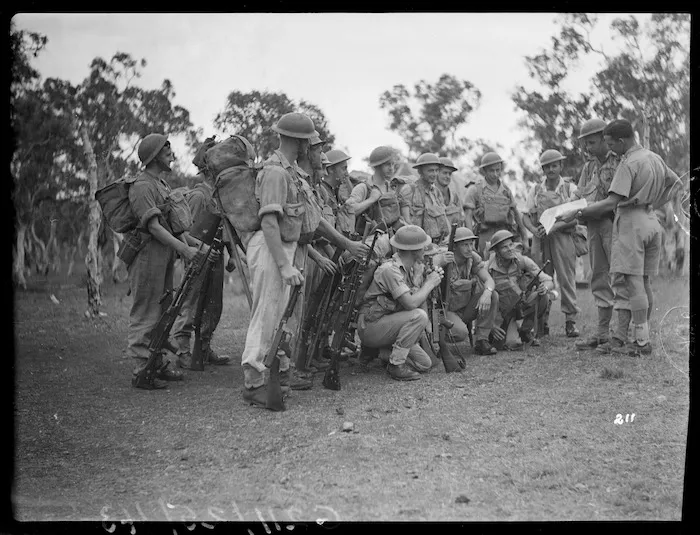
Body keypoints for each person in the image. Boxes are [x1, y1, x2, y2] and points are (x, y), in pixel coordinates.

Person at [241, 113, 368, 405]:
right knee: (266, 316)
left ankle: (275, 373)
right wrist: (284, 265)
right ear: (299, 141)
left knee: (283, 316)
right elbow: (270, 223)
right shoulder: (275, 172)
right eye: (311, 143)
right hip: (274, 250)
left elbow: (314, 220)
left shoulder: (294, 174)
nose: (315, 149)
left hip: (289, 249)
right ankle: (253, 382)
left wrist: (345, 242)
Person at [557, 119, 682, 357]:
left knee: (631, 283)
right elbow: (676, 183)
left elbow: (612, 202)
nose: (606, 146)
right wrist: (653, 203)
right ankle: (631, 336)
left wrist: (578, 212)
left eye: (605, 142)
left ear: (617, 140)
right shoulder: (651, 157)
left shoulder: (626, 162)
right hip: (635, 221)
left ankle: (633, 339)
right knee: (631, 281)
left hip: (626, 223)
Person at [126, 133, 202, 389]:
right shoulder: (142, 186)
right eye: (166, 150)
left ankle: (155, 363)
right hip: (147, 255)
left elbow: (176, 226)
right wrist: (184, 249)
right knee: (146, 309)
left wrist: (195, 246)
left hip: (164, 256)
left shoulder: (161, 185)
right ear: (155, 154)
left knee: (162, 309)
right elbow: (155, 228)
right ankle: (141, 368)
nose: (172, 154)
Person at [170, 145, 236, 369]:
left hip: (214, 258)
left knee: (212, 304)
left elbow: (223, 229)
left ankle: (204, 347)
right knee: (190, 303)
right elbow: (185, 233)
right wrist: (201, 251)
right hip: (197, 259)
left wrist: (231, 255)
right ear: (210, 170)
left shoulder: (218, 197)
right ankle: (183, 350)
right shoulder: (199, 196)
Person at [356, 225, 444, 381]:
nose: (426, 249)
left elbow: (415, 299)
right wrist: (429, 284)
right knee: (419, 316)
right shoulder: (390, 270)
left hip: (389, 324)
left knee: (425, 364)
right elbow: (410, 304)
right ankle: (396, 365)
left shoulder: (411, 269)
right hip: (371, 326)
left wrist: (422, 280)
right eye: (422, 246)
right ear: (413, 250)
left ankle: (382, 353)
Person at [571, 118, 622, 349]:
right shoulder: (589, 166)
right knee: (598, 275)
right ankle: (602, 332)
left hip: (616, 224)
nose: (587, 148)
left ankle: (623, 333)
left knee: (620, 275)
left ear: (604, 138)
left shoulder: (621, 160)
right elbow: (579, 195)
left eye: (591, 142)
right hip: (593, 226)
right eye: (585, 143)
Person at [522, 149, 581, 338]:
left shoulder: (569, 188)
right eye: (547, 166)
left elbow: (576, 216)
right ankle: (542, 322)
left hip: (563, 237)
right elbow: (525, 216)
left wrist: (555, 227)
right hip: (541, 238)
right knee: (542, 279)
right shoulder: (536, 190)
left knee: (566, 278)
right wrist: (533, 230)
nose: (551, 169)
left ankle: (570, 321)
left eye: (554, 165)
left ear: (561, 166)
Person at [486, 230, 554, 348]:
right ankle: (511, 330)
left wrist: (545, 287)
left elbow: (548, 280)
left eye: (511, 245)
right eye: (504, 247)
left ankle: (525, 330)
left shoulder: (522, 261)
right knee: (508, 343)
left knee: (543, 296)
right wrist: (491, 325)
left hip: (520, 306)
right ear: (496, 251)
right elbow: (480, 297)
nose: (510, 249)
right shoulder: (488, 267)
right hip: (500, 312)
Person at [443, 227, 499, 355]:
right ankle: (438, 343)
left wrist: (487, 293)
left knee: (493, 295)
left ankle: (482, 340)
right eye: (464, 245)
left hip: (465, 309)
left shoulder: (472, 258)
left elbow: (489, 280)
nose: (469, 248)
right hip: (446, 312)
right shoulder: (445, 259)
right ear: (455, 246)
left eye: (471, 244)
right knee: (460, 332)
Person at [463, 152, 528, 257]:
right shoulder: (475, 189)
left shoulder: (506, 190)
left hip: (505, 234)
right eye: (491, 171)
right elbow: (468, 216)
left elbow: (516, 213)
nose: (495, 174)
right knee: (487, 265)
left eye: (498, 170)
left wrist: (524, 238)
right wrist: (470, 241)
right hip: (485, 235)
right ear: (484, 171)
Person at [346, 146, 403, 235]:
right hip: (369, 242)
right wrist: (371, 200)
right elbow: (349, 211)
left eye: (393, 164)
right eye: (387, 164)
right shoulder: (363, 188)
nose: (391, 168)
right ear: (377, 166)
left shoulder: (392, 187)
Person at [399, 153, 450, 244]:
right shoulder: (410, 189)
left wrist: (448, 235)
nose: (434, 174)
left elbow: (444, 216)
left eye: (436, 170)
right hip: (417, 243)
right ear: (420, 172)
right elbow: (406, 221)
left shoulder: (436, 192)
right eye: (430, 171)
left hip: (438, 243)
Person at [320, 149, 357, 237]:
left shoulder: (335, 193)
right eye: (344, 169)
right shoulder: (322, 193)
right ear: (331, 169)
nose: (347, 173)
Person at [437, 157, 466, 227]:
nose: (447, 176)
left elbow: (461, 217)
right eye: (444, 173)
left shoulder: (454, 196)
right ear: (437, 173)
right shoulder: (431, 194)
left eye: (449, 174)